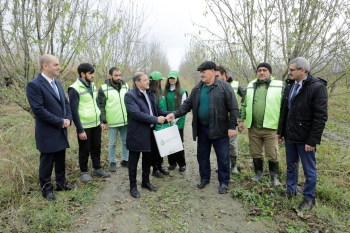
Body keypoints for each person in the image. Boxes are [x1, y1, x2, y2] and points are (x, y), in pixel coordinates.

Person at [166, 61, 239, 194]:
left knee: (222, 157)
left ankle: (224, 182)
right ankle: (205, 178)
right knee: (202, 156)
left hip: (220, 130)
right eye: (200, 72)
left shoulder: (225, 87)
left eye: (203, 72)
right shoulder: (198, 89)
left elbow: (234, 108)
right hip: (203, 129)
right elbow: (187, 105)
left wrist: (232, 126)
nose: (201, 74)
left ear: (212, 71)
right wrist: (175, 114)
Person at [277, 57, 328, 211]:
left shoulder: (317, 87)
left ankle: (308, 198)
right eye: (289, 69)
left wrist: (312, 141)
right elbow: (284, 111)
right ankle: (290, 191)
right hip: (290, 135)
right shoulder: (290, 85)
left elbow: (320, 117)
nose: (289, 72)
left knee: (309, 170)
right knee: (291, 166)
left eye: (292, 70)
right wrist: (280, 131)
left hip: (305, 138)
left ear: (303, 70)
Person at [26, 54, 76, 201]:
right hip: (47, 131)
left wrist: (68, 119)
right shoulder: (34, 85)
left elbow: (66, 104)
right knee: (47, 162)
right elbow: (39, 110)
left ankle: (61, 184)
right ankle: (46, 189)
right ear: (45, 66)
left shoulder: (58, 84)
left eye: (58, 64)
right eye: (55, 64)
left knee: (61, 158)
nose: (59, 67)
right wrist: (60, 121)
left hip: (61, 129)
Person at [124, 72, 169, 198]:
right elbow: (136, 114)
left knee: (147, 159)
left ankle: (145, 181)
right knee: (133, 162)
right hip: (137, 134)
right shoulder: (130, 96)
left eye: (147, 80)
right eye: (145, 80)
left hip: (150, 133)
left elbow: (157, 111)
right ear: (137, 82)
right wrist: (156, 119)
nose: (148, 82)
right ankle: (133, 186)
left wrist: (173, 113)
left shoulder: (150, 94)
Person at [238, 62, 283, 186]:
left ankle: (274, 178)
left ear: (270, 72)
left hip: (271, 128)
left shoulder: (279, 86)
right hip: (254, 127)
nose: (261, 72)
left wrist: (282, 128)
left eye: (264, 70)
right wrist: (241, 120)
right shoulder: (251, 85)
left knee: (273, 154)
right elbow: (244, 104)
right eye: (259, 70)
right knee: (255, 152)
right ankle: (258, 174)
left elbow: (284, 107)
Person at [68, 63, 110, 183]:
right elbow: (74, 111)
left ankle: (97, 168)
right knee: (84, 149)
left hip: (96, 124)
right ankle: (84, 172)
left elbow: (96, 103)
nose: (93, 75)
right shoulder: (74, 88)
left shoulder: (92, 86)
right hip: (84, 125)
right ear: (82, 74)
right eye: (90, 73)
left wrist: (101, 121)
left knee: (96, 147)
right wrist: (79, 129)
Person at [215, 65, 246, 174]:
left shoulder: (236, 85)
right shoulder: (213, 85)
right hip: (218, 121)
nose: (216, 78)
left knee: (232, 144)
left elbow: (246, 96)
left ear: (224, 75)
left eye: (217, 76)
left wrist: (241, 113)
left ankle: (233, 166)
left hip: (231, 121)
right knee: (219, 144)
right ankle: (222, 165)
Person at [98, 67, 129, 172]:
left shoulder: (126, 86)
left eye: (120, 75)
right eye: (116, 75)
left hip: (125, 121)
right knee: (112, 143)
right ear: (110, 76)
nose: (118, 77)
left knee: (125, 142)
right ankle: (112, 162)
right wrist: (103, 120)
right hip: (112, 122)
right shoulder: (103, 88)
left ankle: (125, 160)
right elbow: (101, 106)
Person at [163, 70, 187, 172]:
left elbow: (184, 108)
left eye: (174, 78)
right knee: (169, 142)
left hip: (178, 121)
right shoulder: (165, 91)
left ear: (177, 79)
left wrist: (175, 120)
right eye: (170, 78)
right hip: (167, 121)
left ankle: (182, 164)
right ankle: (172, 163)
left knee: (178, 143)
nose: (172, 80)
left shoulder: (182, 92)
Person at [148, 71, 171, 178]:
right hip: (155, 124)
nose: (161, 82)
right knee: (155, 148)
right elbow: (156, 110)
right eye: (160, 80)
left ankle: (160, 165)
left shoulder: (160, 92)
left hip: (162, 122)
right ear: (156, 82)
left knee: (161, 147)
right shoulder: (151, 94)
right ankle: (155, 168)